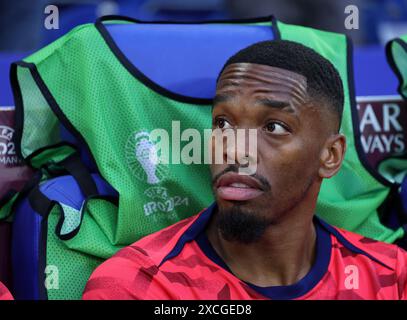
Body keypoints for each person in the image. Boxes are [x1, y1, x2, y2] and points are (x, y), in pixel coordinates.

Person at [83, 40, 407, 300]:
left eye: (274, 127)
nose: (235, 150)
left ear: (330, 156)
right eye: (222, 123)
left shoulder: (392, 278)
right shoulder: (138, 286)